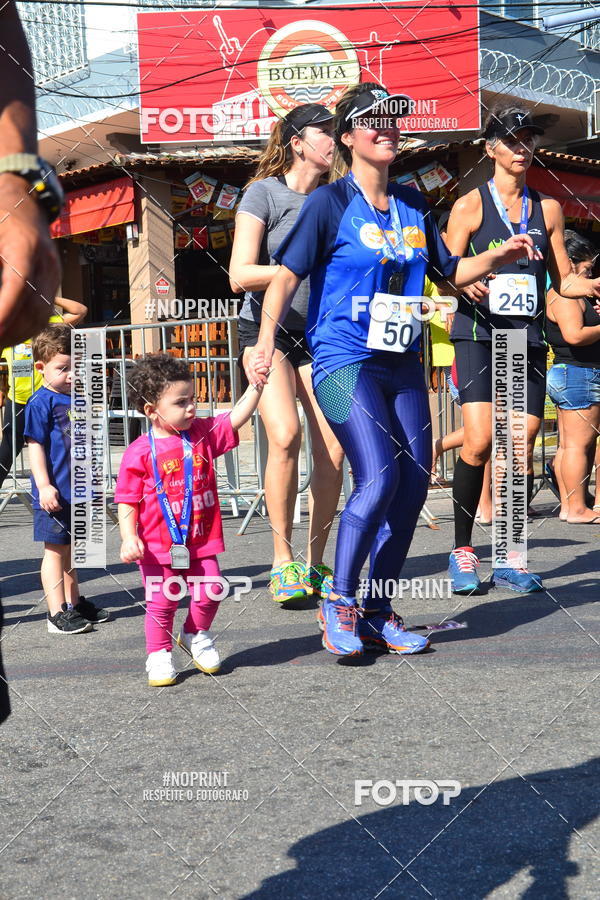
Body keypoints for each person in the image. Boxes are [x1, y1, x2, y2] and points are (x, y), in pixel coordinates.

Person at [244, 83, 541, 658]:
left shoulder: (411, 203)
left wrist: (499, 255)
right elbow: (284, 277)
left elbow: (448, 269)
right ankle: (341, 602)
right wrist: (262, 348)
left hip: (403, 365)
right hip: (341, 361)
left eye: (393, 121)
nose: (387, 129)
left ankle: (377, 610)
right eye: (372, 121)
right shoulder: (328, 204)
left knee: (410, 487)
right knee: (377, 478)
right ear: (349, 136)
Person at [445, 105, 600, 595]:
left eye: (528, 139)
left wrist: (589, 286)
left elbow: (563, 279)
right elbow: (444, 271)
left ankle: (511, 558)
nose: (522, 148)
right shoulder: (470, 205)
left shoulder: (548, 209)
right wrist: (464, 284)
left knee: (521, 444)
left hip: (524, 339)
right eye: (512, 140)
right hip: (478, 334)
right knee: (478, 442)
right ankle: (463, 550)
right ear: (491, 148)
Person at [229, 103, 344, 606]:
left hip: (324, 334)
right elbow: (239, 273)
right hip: (267, 331)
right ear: (297, 141)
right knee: (285, 435)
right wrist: (294, 270)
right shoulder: (264, 193)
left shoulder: (340, 198)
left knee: (334, 446)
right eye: (326, 133)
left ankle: (317, 561)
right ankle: (282, 559)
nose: (334, 141)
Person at [115, 354, 263, 687]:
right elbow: (127, 499)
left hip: (200, 539)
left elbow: (235, 418)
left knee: (212, 590)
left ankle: (196, 634)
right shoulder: (138, 452)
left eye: (193, 399)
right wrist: (128, 537)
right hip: (157, 545)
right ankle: (159, 653)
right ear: (152, 409)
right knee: (163, 599)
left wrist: (256, 386)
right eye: (181, 402)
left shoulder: (201, 434)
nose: (192, 407)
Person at [24, 324, 109, 634]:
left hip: (79, 489)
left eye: (78, 367)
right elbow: (35, 447)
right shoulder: (40, 402)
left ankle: (74, 603)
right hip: (55, 492)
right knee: (55, 551)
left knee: (73, 549)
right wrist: (44, 486)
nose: (72, 374)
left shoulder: (77, 398)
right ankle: (56, 613)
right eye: (63, 368)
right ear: (41, 368)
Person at [0, 297, 87, 490]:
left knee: (52, 444)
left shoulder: (47, 328)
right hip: (19, 400)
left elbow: (80, 310)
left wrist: (47, 295)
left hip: (46, 398)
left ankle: (61, 487)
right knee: (8, 448)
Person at [545, 229, 600, 523]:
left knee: (568, 445)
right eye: (587, 268)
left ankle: (570, 507)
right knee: (578, 445)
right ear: (571, 263)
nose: (591, 275)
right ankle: (577, 507)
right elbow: (575, 335)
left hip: (574, 374)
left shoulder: (572, 295)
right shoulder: (565, 294)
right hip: (579, 373)